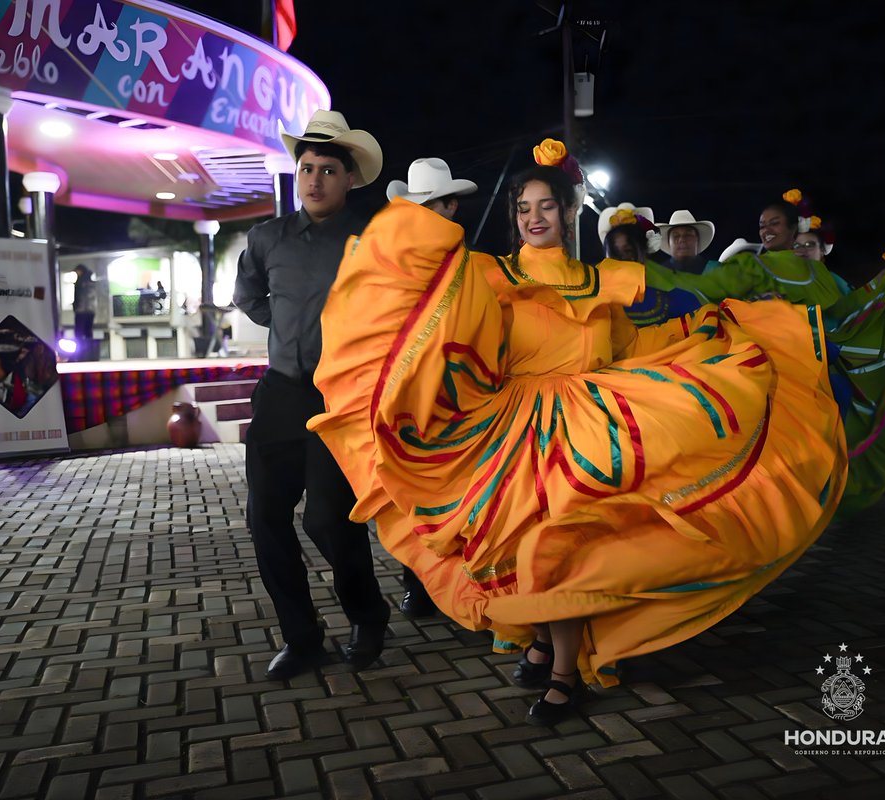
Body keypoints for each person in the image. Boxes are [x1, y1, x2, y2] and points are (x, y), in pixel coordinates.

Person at [309, 139, 846, 726]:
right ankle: (546, 641)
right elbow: (424, 298)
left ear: (569, 213)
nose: (533, 217)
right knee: (526, 546)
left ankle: (563, 670)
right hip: (514, 429)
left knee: (556, 547)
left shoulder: (612, 278)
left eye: (545, 206)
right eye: (522, 208)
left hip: (591, 424)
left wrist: (709, 318)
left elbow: (666, 317)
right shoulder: (491, 275)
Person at [643, 193, 885, 515]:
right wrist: (635, 273)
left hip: (815, 362)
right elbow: (710, 288)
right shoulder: (748, 265)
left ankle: (819, 487)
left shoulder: (820, 275)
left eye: (775, 223)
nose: (767, 229)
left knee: (832, 416)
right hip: (765, 363)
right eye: (762, 224)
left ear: (792, 230)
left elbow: (844, 311)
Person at [233, 110, 392, 680]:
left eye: (327, 169)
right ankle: (302, 639)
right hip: (278, 393)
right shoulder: (267, 237)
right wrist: (290, 326)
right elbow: (249, 295)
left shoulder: (373, 240)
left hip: (340, 401)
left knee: (327, 518)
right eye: (306, 168)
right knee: (264, 519)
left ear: (350, 178)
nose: (315, 179)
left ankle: (367, 614)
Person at [383, 157, 479, 617]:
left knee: (458, 495)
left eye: (434, 205)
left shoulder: (468, 262)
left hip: (462, 394)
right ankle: (418, 585)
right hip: (409, 394)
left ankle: (466, 582)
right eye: (419, 206)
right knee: (412, 496)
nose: (427, 214)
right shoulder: (397, 259)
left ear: (452, 205)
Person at [656, 210, 717, 275]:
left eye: (688, 235)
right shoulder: (659, 276)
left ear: (697, 240)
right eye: (676, 236)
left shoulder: (716, 271)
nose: (682, 239)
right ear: (668, 242)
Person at [72, 265, 97, 360]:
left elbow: (79, 297)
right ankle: (88, 354)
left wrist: (76, 307)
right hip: (90, 311)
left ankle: (79, 355)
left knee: (79, 333)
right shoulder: (91, 281)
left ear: (81, 271)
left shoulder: (81, 282)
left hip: (82, 311)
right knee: (88, 332)